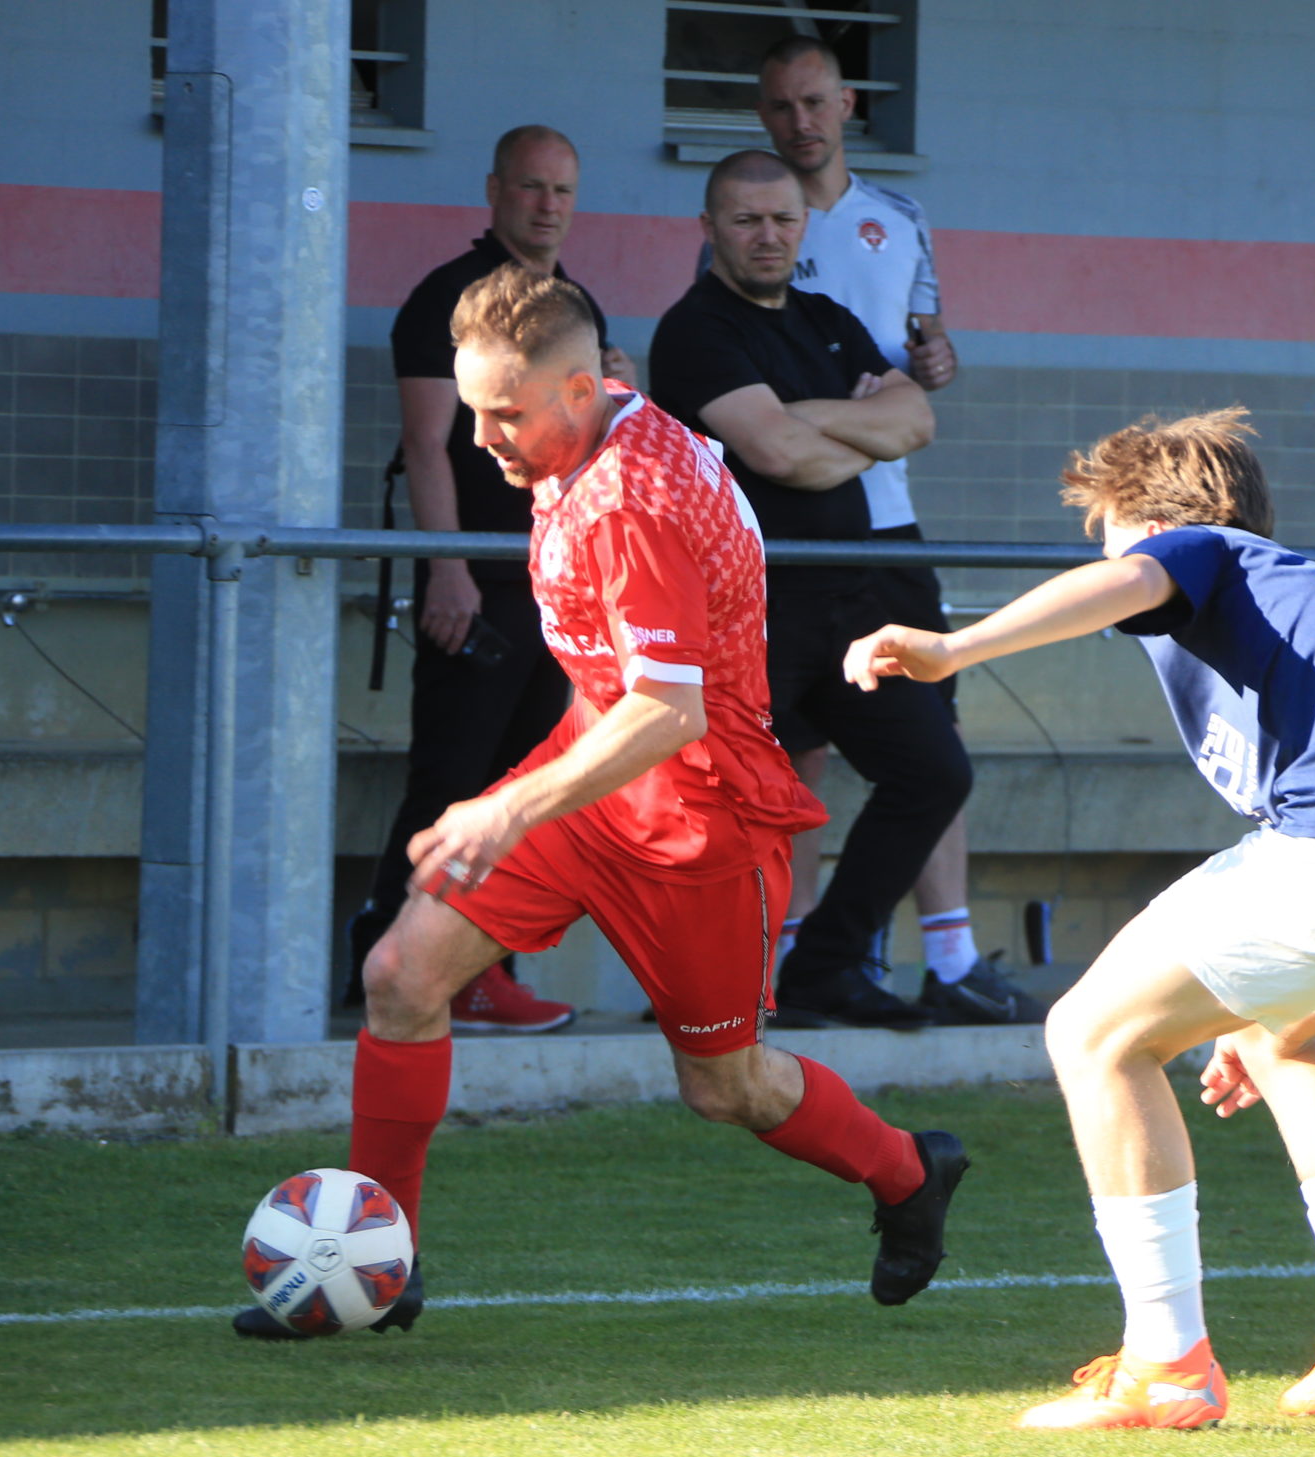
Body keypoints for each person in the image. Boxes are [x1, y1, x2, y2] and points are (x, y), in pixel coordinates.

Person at [235, 266, 970, 1340]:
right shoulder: (592, 415)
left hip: (698, 817)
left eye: (503, 413)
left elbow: (669, 713)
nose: (483, 436)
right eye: (474, 406)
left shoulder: (632, 502)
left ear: (581, 390)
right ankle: (380, 1264)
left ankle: (908, 1171)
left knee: (726, 1089)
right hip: (593, 775)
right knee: (400, 976)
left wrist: (504, 810)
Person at [842, 409, 1315, 1429]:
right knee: (1275, 1036)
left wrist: (955, 648)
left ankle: (1166, 1364)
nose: (1109, 557)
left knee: (1093, 1035)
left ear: (1152, 522)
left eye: (1109, 533)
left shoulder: (1199, 547)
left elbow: (1132, 579)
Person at [750, 36, 1040, 1026]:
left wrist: (936, 365)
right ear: (762, 117)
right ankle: (788, 965)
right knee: (794, 757)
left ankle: (949, 960)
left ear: (846, 104)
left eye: (815, 102)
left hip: (890, 528)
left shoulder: (900, 218)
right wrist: (858, 417)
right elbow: (753, 404)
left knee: (931, 741)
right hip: (793, 539)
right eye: (782, 106)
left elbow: (924, 347)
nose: (801, 122)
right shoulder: (750, 225)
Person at [650, 150, 967, 1031]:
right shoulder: (696, 331)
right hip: (750, 612)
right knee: (737, 809)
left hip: (850, 603)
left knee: (933, 772)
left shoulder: (828, 320)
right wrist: (857, 430)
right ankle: (712, 990)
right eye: (747, 220)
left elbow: (916, 420)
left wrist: (810, 421)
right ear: (709, 228)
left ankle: (823, 967)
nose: (768, 236)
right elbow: (777, 454)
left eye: (784, 220)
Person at [350, 124, 636, 1035]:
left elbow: (598, 443)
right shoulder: (446, 298)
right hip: (478, 588)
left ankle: (475, 971)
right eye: (530, 187)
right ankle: (402, 967)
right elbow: (427, 443)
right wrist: (448, 570)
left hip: (558, 585)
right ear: (494, 191)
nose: (548, 206)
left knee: (524, 785)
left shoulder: (574, 306)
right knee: (453, 780)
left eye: (563, 191)